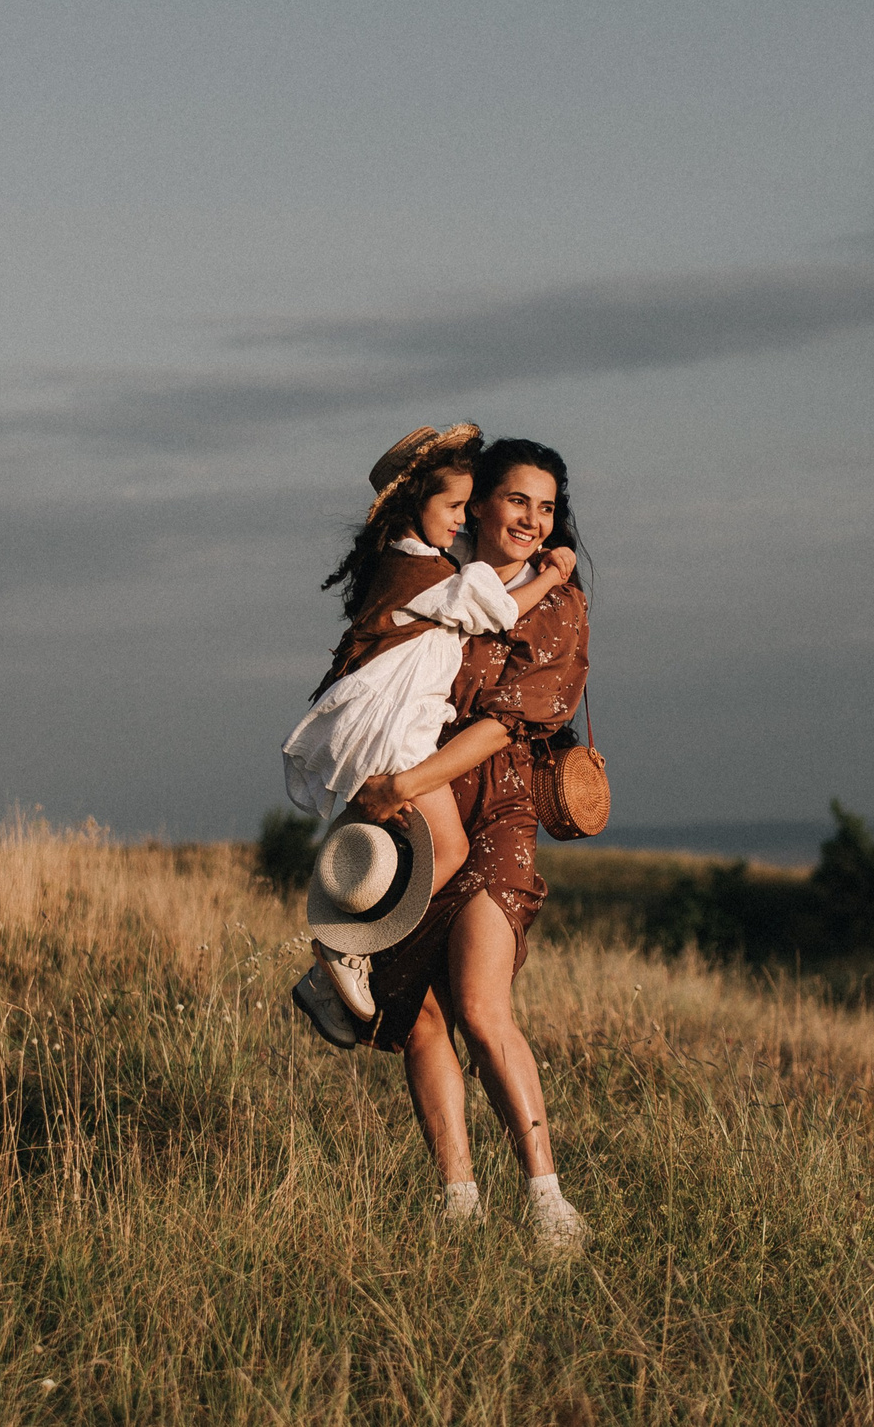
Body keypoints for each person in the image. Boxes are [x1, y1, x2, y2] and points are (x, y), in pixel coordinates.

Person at [310, 438, 593, 1254]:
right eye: (515, 501)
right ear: (482, 504)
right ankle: (458, 1205)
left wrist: (403, 783)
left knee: (478, 1000)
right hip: (419, 801)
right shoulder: (441, 566)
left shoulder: (559, 601)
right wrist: (385, 774)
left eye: (545, 507)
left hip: (494, 804)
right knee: (422, 1013)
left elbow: (508, 720)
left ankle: (547, 1200)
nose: (531, 521)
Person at [281, 425, 577, 1026]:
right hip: (397, 734)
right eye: (454, 508)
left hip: (384, 725)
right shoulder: (434, 575)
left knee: (403, 856)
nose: (464, 520)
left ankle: (335, 968)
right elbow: (495, 604)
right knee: (450, 851)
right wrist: (550, 576)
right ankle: (337, 954)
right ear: (417, 505)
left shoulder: (413, 558)